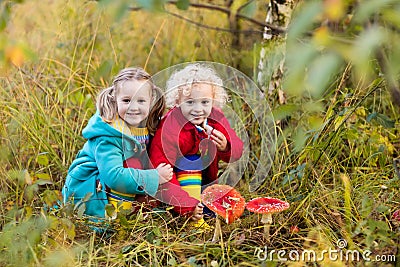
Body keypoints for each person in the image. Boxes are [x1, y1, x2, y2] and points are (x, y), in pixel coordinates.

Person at [62, 67, 173, 218]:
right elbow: (113, 176)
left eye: (141, 101)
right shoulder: (109, 134)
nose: (133, 107)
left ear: (151, 101)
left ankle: (144, 213)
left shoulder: (148, 125)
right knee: (134, 164)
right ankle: (117, 220)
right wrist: (154, 177)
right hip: (88, 190)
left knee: (156, 168)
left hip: (117, 186)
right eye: (126, 100)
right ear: (115, 99)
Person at [149, 63, 244, 226]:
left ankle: (203, 210)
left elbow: (237, 150)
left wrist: (226, 146)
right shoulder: (170, 127)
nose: (198, 109)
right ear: (177, 101)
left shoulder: (215, 117)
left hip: (204, 183)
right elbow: (162, 172)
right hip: (173, 190)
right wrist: (186, 206)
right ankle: (190, 219)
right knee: (190, 160)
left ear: (213, 101)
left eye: (205, 102)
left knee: (223, 212)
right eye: (190, 102)